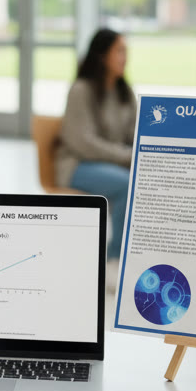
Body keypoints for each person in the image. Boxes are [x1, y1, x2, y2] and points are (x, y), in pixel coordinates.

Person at [57, 28, 135, 257]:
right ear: (102, 55)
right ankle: (115, 257)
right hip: (77, 166)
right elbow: (83, 143)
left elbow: (134, 134)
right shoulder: (81, 90)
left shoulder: (125, 92)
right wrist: (126, 156)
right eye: (119, 51)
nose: (125, 58)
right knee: (127, 185)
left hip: (113, 164)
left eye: (126, 51)